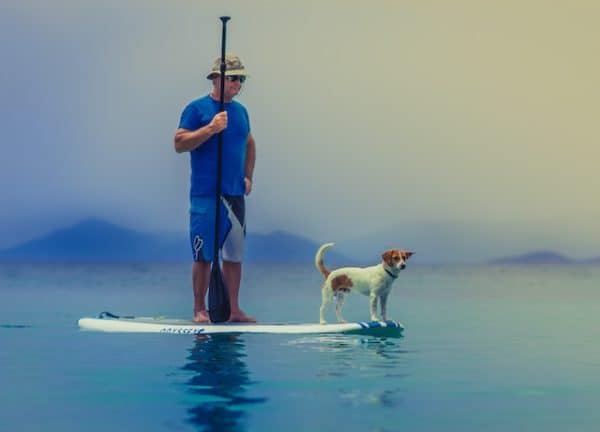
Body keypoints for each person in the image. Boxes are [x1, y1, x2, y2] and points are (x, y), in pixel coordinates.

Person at [174, 54, 256, 323]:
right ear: (217, 78)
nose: (238, 84)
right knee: (203, 254)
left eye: (241, 79)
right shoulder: (196, 109)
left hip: (234, 195)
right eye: (234, 78)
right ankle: (200, 309)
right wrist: (210, 128)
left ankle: (233, 309)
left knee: (234, 255)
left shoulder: (241, 112)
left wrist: (248, 176)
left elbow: (249, 143)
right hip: (205, 194)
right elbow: (180, 143)